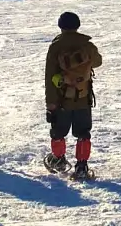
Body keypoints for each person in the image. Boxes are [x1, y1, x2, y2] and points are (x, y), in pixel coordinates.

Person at [44, 11, 102, 179]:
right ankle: (82, 167)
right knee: (83, 132)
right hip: (83, 98)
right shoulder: (87, 45)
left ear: (60, 26)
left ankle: (59, 160)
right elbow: (98, 62)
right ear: (77, 26)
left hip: (62, 100)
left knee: (58, 131)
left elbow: (50, 76)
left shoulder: (56, 46)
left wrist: (51, 102)